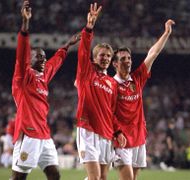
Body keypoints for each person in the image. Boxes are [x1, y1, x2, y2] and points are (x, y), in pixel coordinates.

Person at [11, 1, 80, 179]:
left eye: (44, 57)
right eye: (39, 57)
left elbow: (56, 61)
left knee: (55, 175)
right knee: (19, 178)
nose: (43, 60)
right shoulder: (23, 76)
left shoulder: (44, 75)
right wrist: (25, 24)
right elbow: (22, 49)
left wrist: (67, 45)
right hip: (28, 134)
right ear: (29, 59)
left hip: (44, 135)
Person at [112, 19, 175, 179]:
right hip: (121, 140)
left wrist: (166, 33)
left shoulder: (137, 78)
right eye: (123, 59)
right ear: (114, 64)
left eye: (129, 58)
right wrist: (116, 132)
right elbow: (107, 113)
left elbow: (152, 54)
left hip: (139, 137)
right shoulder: (111, 85)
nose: (127, 61)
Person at [75, 3, 126, 180]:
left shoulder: (112, 83)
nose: (105, 58)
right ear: (95, 58)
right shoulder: (86, 72)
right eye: (101, 55)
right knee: (94, 178)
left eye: (108, 56)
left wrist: (118, 132)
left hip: (106, 134)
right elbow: (83, 51)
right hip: (88, 130)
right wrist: (89, 28)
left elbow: (111, 112)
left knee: (102, 178)